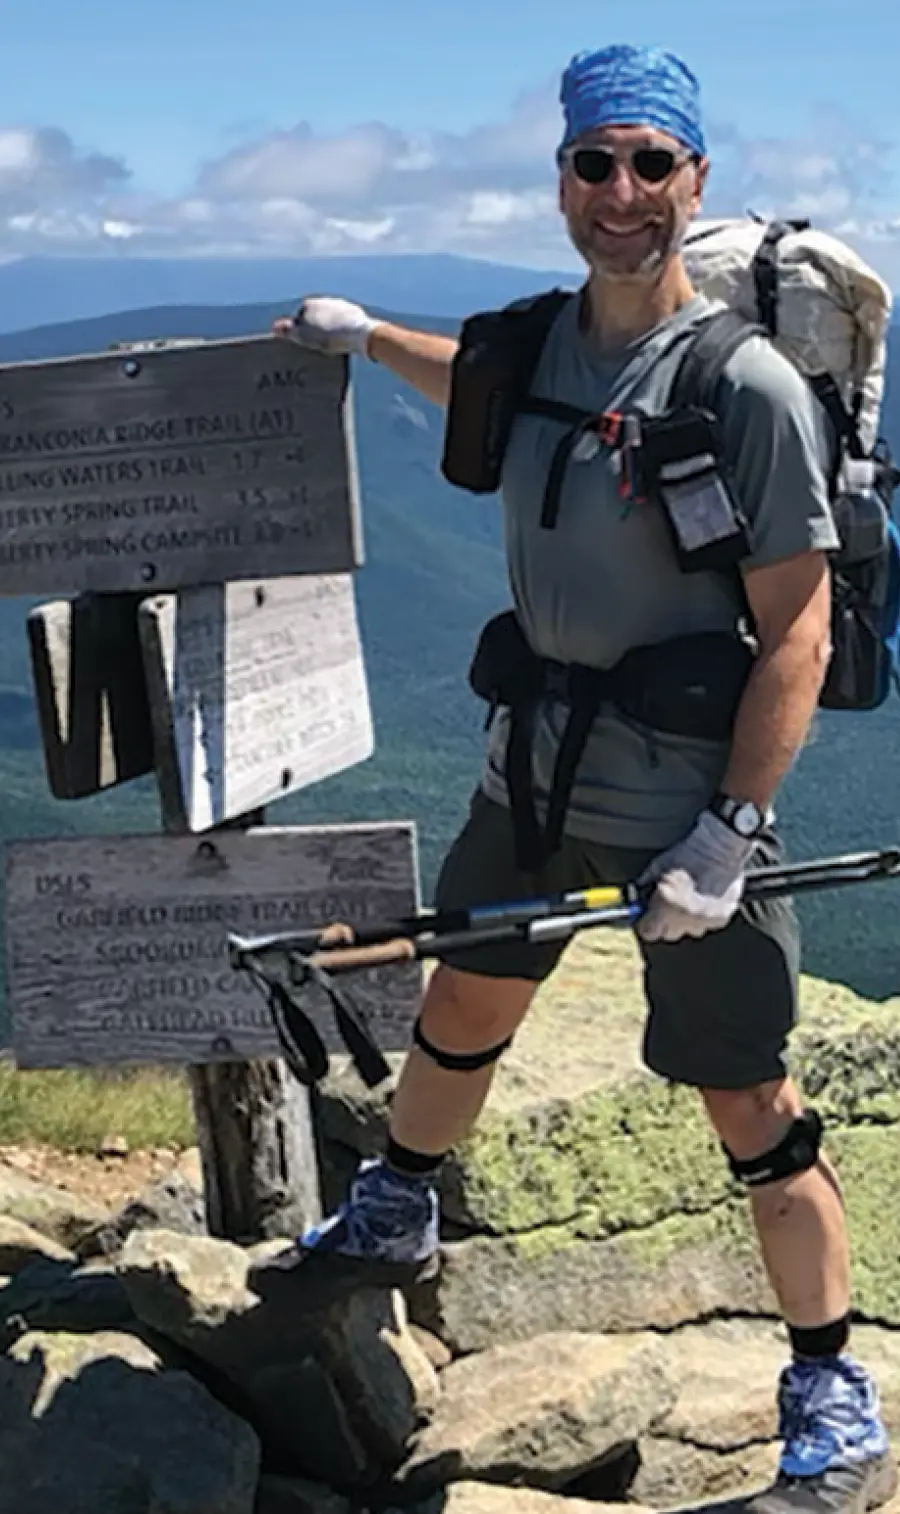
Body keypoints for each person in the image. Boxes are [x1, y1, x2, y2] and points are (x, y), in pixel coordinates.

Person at [265, 43, 895, 1514]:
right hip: (530, 777)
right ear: (561, 179)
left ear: (695, 181)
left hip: (683, 804)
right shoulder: (544, 341)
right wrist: (363, 338)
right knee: (463, 1003)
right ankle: (396, 1209)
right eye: (593, 162)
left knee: (751, 1104)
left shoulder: (743, 385)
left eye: (649, 164)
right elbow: (470, 377)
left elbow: (797, 625)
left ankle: (829, 1386)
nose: (622, 193)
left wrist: (731, 833)